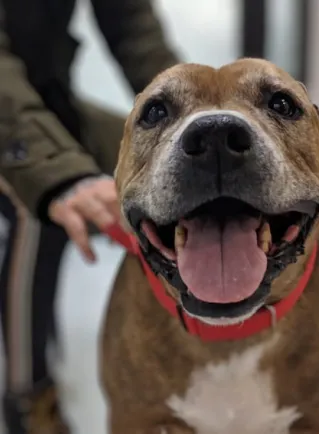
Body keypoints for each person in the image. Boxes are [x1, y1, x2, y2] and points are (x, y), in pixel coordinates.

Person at [0, 1, 178, 433]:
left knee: (168, 167)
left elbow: (133, 26)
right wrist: (61, 176)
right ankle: (29, 396)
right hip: (9, 104)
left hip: (47, 96)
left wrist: (193, 108)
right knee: (39, 208)